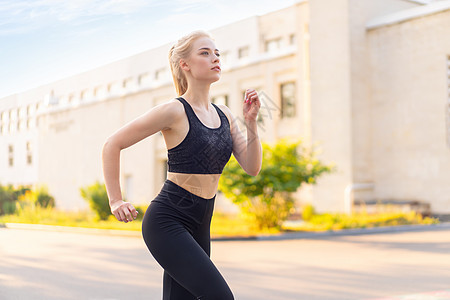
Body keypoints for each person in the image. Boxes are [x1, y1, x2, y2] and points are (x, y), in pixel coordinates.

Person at [101, 30, 262, 300]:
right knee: (220, 297)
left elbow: (252, 167)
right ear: (184, 64)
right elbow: (112, 144)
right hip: (167, 220)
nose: (215, 58)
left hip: (201, 221)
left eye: (217, 53)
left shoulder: (225, 114)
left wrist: (252, 122)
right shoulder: (174, 111)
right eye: (205, 52)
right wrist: (116, 200)